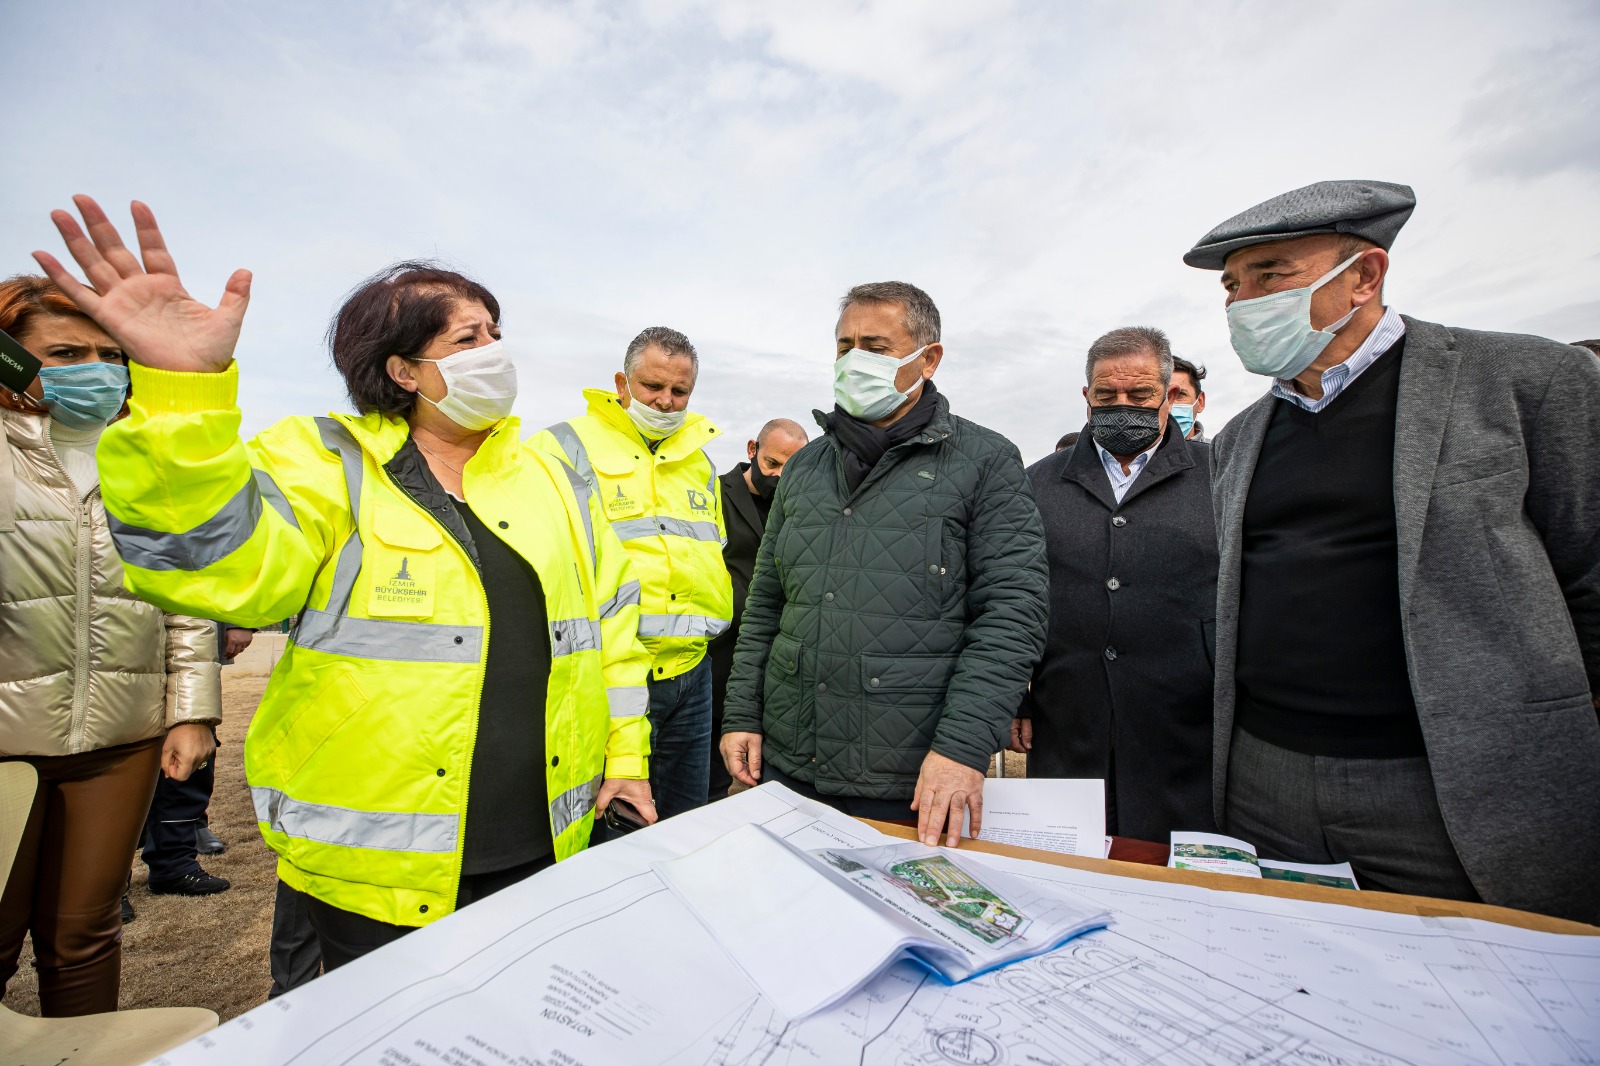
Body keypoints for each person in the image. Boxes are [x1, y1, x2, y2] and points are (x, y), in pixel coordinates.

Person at [32, 196, 655, 970]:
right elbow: (219, 577)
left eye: (497, 333)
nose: (495, 350)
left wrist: (626, 759)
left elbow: (613, 634)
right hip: (374, 867)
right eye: (469, 338)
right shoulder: (322, 459)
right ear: (404, 370)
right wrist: (183, 392)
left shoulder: (555, 478)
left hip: (542, 839)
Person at [1187, 179, 1600, 923]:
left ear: (1365, 277)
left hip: (1452, 782)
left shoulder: (1525, 382)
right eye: (1232, 286)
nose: (1242, 303)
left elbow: (1590, 569)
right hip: (1265, 776)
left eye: (1271, 275)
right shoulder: (1239, 439)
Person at [721, 281, 1050, 847]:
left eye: (874, 347)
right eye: (844, 346)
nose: (855, 362)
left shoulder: (985, 461)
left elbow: (1011, 614)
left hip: (912, 778)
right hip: (791, 760)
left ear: (929, 357)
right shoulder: (805, 469)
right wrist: (741, 713)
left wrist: (962, 748)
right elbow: (767, 602)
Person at [0, 273, 221, 1016]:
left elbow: (185, 599)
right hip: (7, 742)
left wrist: (193, 711)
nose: (94, 369)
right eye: (64, 352)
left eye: (108, 353)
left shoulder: (145, 459)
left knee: (86, 934)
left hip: (123, 739)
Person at [1011, 327, 1218, 841]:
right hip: (1068, 721)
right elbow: (1012, 595)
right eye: (1107, 396)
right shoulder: (1038, 482)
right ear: (1086, 397)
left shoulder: (1222, 474)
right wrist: (1018, 696)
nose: (1122, 406)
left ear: (1170, 394)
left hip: (1185, 729)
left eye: (1140, 395)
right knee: (1068, 867)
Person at [533, 328, 734, 819]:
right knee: (607, 826)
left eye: (679, 392)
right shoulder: (561, 447)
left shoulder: (700, 464)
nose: (666, 402)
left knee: (686, 822)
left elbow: (715, 552)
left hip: (692, 675)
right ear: (622, 383)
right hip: (607, 676)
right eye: (652, 387)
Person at [707, 418, 809, 798]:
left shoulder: (800, 509)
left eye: (790, 468)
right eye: (772, 464)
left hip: (773, 654)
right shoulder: (714, 495)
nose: (779, 475)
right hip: (718, 652)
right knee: (709, 772)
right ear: (752, 449)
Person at [1170, 356, 1207, 441]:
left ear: (1200, 402)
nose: (1168, 405)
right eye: (1162, 396)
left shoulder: (1219, 453)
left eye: (1179, 395)